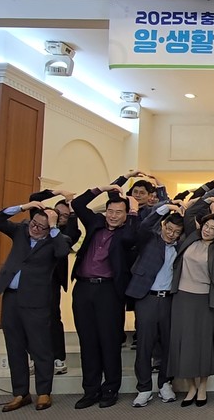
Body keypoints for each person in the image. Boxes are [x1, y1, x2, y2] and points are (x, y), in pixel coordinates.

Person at [71, 175, 140, 409]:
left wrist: (134, 210)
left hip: (109, 291)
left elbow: (132, 236)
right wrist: (101, 188)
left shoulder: (125, 233)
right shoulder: (95, 223)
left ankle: (110, 389)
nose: (113, 215)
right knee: (87, 341)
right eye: (110, 211)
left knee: (109, 341)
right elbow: (78, 204)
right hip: (83, 289)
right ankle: (90, 390)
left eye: (119, 212)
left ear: (126, 214)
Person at [0, 201, 71, 411]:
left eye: (41, 227)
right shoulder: (21, 231)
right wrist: (23, 207)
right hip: (11, 298)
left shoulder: (58, 240)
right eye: (34, 223)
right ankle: (20, 393)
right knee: (14, 347)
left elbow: (62, 253)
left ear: (50, 228)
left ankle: (44, 392)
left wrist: (54, 227)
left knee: (41, 348)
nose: (35, 228)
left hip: (36, 301)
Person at [125, 202, 185, 407]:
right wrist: (167, 207)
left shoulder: (180, 247)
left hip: (169, 299)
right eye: (169, 229)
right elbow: (144, 225)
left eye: (176, 232)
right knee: (144, 344)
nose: (171, 234)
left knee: (168, 343)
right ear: (163, 225)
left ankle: (165, 383)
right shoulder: (149, 239)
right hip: (146, 298)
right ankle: (144, 388)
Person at [168, 211, 214, 407]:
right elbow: (192, 212)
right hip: (181, 296)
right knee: (184, 342)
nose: (207, 230)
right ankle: (191, 387)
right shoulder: (190, 239)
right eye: (206, 226)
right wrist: (213, 195)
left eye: (213, 229)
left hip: (203, 299)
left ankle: (202, 387)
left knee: (202, 343)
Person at [28, 189, 81, 376]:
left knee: (52, 318)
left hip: (52, 281)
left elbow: (73, 232)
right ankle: (34, 358)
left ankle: (58, 358)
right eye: (58, 213)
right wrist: (57, 191)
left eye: (65, 216)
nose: (61, 217)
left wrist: (72, 206)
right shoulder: (38, 225)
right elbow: (34, 199)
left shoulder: (67, 233)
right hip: (31, 280)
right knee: (31, 320)